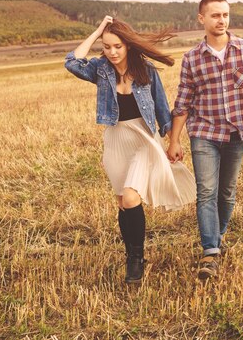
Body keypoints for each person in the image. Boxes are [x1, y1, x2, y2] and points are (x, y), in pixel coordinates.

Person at [65, 16, 196, 284]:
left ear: (129, 46)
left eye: (118, 46)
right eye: (107, 47)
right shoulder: (101, 70)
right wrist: (99, 30)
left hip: (144, 139)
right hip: (115, 139)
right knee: (123, 204)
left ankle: (136, 261)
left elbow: (162, 110)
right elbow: (72, 62)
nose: (112, 52)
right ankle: (131, 254)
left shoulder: (146, 71)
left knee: (131, 198)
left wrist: (173, 141)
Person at [167, 0, 243, 280]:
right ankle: (210, 252)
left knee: (227, 193)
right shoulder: (191, 58)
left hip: (238, 133)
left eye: (225, 15)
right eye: (215, 15)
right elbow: (183, 102)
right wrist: (174, 140)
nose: (221, 20)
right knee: (207, 192)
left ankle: (217, 236)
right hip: (204, 133)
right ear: (201, 18)